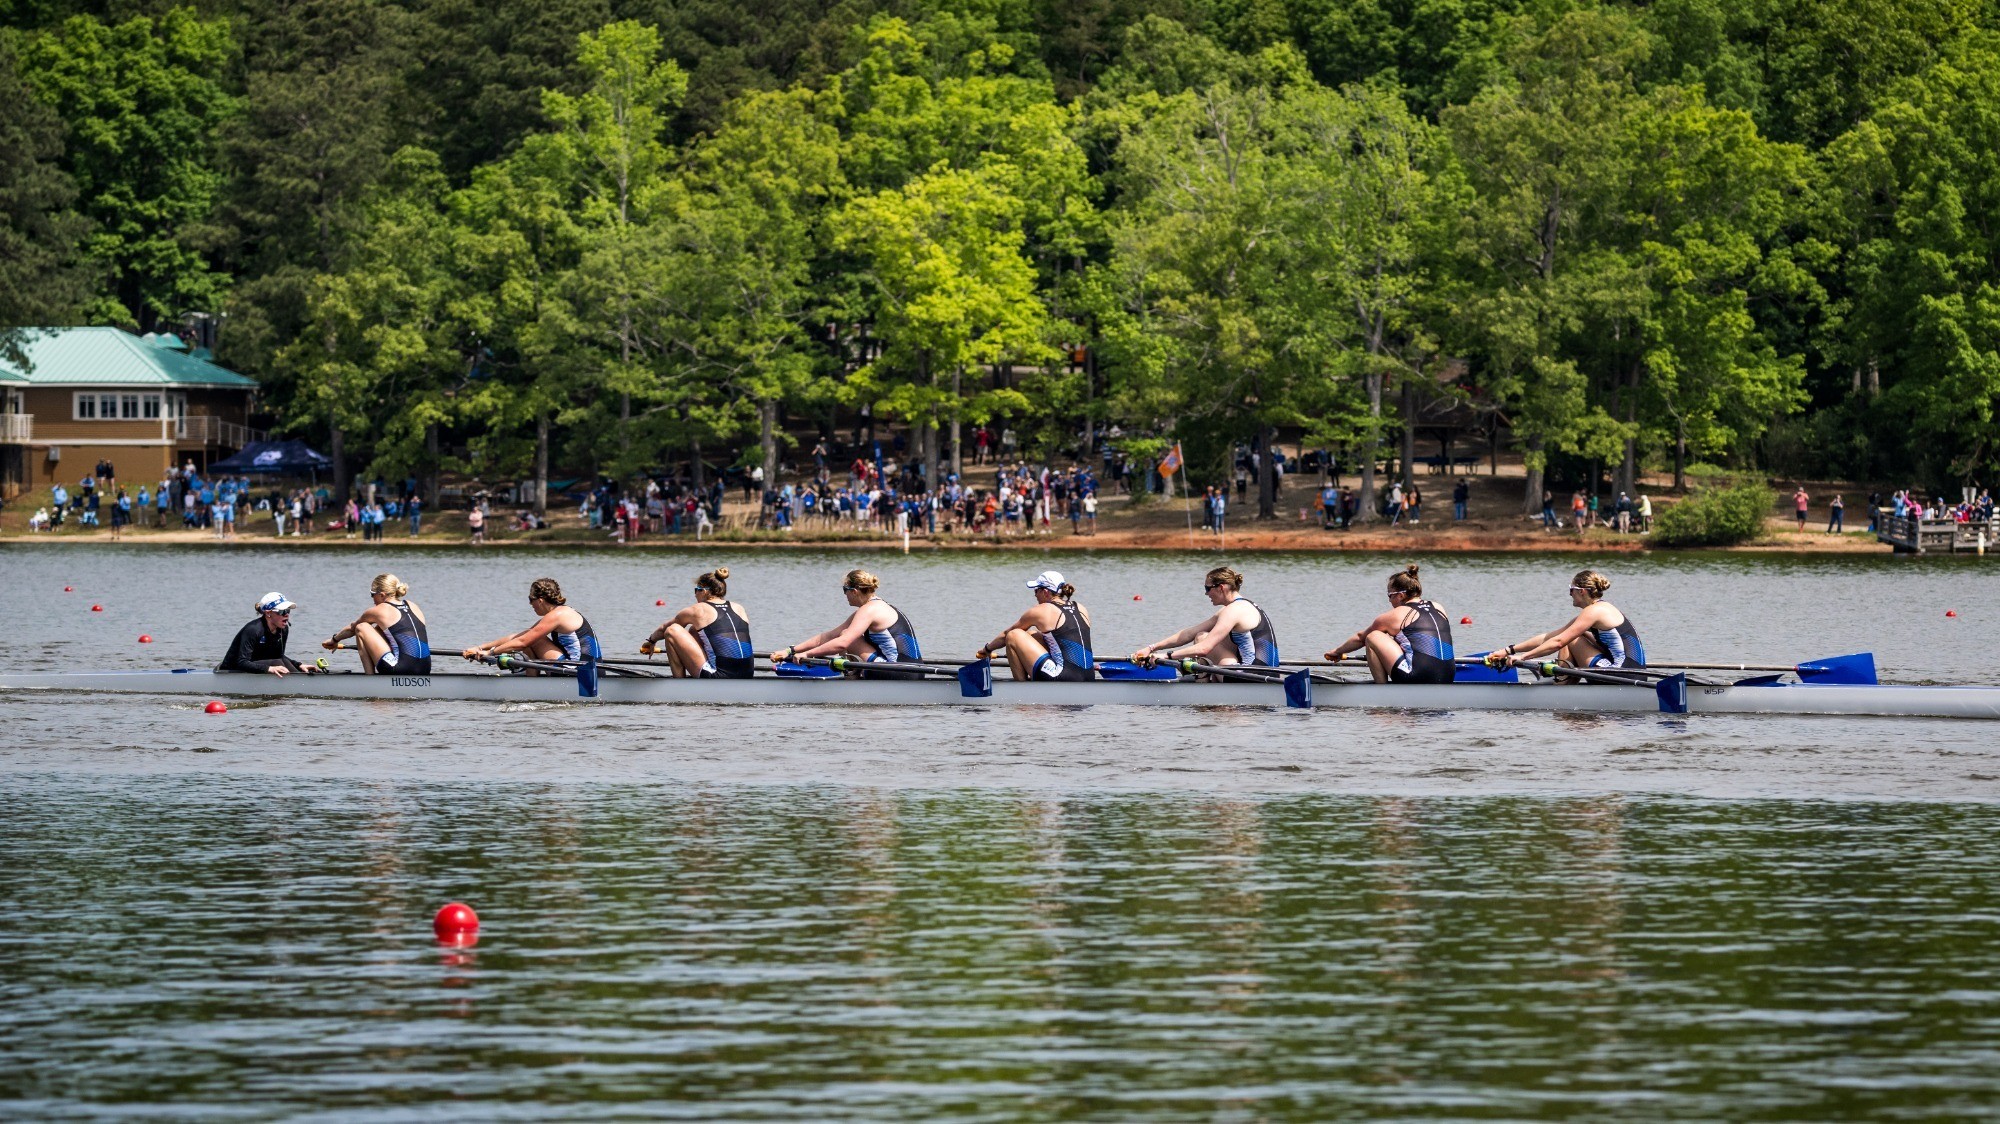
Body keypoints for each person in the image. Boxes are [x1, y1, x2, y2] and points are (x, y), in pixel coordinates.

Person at [1485, 570, 1647, 674]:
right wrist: (1508, 650)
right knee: (1576, 636)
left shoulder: (1593, 612)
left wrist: (1523, 658)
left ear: (1582, 592)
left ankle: (1560, 688)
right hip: (1633, 671)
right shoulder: (1600, 609)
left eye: (1571, 590)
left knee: (1571, 640)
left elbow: (1558, 642)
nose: (1570, 594)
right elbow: (1549, 637)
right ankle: (1563, 685)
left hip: (1622, 673)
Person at [1323, 564, 1457, 684]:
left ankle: (1382, 692)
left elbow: (1361, 638)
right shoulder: (1439, 607)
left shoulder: (1395, 615)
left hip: (1416, 677)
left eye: (1390, 595)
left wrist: (1337, 652)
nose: (1389, 600)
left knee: (1373, 636)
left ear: (1400, 595)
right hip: (1448, 676)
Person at [1130, 566, 1279, 670]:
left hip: (1253, 676)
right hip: (1265, 672)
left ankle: (1203, 686)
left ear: (1221, 588)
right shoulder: (1241, 606)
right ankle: (1206, 688)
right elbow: (1187, 634)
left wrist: (1165, 656)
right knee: (1201, 635)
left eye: (1207, 588)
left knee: (1202, 640)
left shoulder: (1233, 611)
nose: (1206, 594)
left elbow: (1203, 648)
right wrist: (1151, 648)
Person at [768, 569, 922, 667]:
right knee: (843, 635)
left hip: (899, 672)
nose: (844, 595)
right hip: (914, 671)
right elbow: (828, 636)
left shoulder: (868, 610)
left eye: (845, 590)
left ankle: (850, 678)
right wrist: (790, 650)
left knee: (846, 637)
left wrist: (807, 654)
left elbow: (842, 643)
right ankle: (853, 675)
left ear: (854, 591)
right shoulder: (876, 607)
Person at [977, 570, 1095, 682]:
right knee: (1031, 635)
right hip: (1089, 676)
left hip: (1061, 677)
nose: (1035, 595)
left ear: (1046, 592)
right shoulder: (1081, 608)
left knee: (1014, 635)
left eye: (1036, 591)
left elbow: (1006, 634)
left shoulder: (1041, 610)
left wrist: (987, 649)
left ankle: (1022, 691)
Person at [643, 567, 754, 678]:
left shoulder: (697, 610)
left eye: (696, 590)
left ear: (704, 591)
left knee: (672, 630)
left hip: (718, 677)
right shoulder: (739, 608)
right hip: (748, 674)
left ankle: (679, 687)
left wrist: (651, 641)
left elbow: (664, 628)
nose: (695, 595)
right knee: (694, 630)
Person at [463, 578, 600, 667]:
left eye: (531, 599)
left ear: (540, 600)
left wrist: (491, 653)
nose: (530, 604)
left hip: (581, 671)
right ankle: (531, 681)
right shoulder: (560, 613)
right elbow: (518, 637)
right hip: (587, 668)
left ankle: (531, 685)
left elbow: (523, 641)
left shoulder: (557, 615)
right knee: (528, 637)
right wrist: (480, 648)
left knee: (532, 640)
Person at [325, 573, 432, 675]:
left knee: (361, 627)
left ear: (381, 595)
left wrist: (334, 640)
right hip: (425, 668)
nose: (372, 599)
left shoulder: (379, 610)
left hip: (400, 667)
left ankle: (371, 681)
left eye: (372, 594)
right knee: (380, 630)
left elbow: (352, 629)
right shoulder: (413, 606)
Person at [219, 592, 317, 676]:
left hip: (256, 665)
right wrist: (269, 669)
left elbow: (279, 655)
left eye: (288, 610)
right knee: (276, 663)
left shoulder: (283, 629)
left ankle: (301, 681)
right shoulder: (253, 629)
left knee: (280, 661)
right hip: (230, 670)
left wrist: (298, 665)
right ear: (268, 613)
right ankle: (297, 685)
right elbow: (242, 662)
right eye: (282, 611)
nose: (286, 614)